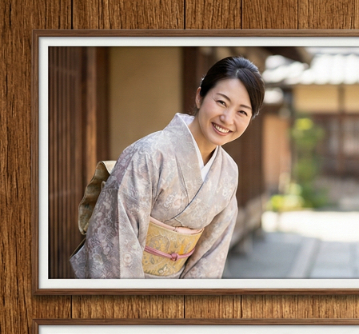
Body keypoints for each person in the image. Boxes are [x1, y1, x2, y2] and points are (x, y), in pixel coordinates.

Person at [71, 56, 265, 279]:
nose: (227, 118)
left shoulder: (228, 173)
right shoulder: (148, 154)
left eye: (242, 112)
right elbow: (116, 244)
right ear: (200, 96)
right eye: (221, 102)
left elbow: (211, 254)